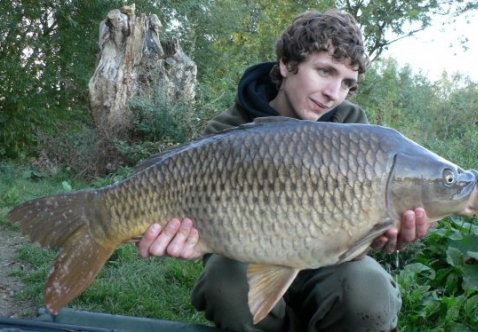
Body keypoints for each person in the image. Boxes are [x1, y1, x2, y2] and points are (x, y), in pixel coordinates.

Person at [138, 9, 432, 332]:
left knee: (369, 294)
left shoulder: (355, 132)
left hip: (328, 266)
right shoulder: (229, 130)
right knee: (226, 283)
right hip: (246, 260)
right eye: (324, 71)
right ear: (286, 64)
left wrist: (386, 237)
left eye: (347, 83)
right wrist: (184, 239)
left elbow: (367, 234)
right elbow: (195, 225)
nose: (333, 94)